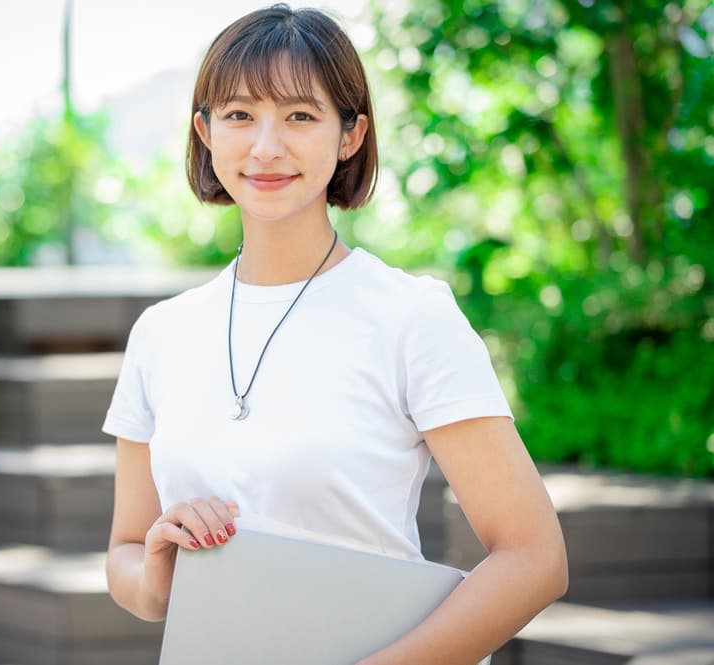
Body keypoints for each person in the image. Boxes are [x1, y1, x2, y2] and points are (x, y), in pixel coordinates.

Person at [103, 4, 568, 664]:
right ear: (205, 132)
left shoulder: (411, 316)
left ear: (349, 134)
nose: (266, 146)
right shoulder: (161, 332)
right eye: (239, 115)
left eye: (299, 116)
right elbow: (124, 556)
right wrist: (155, 569)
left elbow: (535, 557)